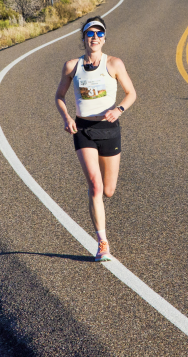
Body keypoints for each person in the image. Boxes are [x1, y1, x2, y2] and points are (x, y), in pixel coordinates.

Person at [55, 16, 137, 262]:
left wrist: (119, 110)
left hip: (109, 130)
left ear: (104, 38)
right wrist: (67, 117)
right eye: (90, 34)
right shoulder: (72, 66)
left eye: (99, 34)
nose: (95, 38)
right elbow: (59, 96)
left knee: (109, 190)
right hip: (83, 130)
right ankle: (102, 242)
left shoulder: (114, 64)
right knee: (95, 185)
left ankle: (102, 233)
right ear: (83, 38)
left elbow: (131, 93)